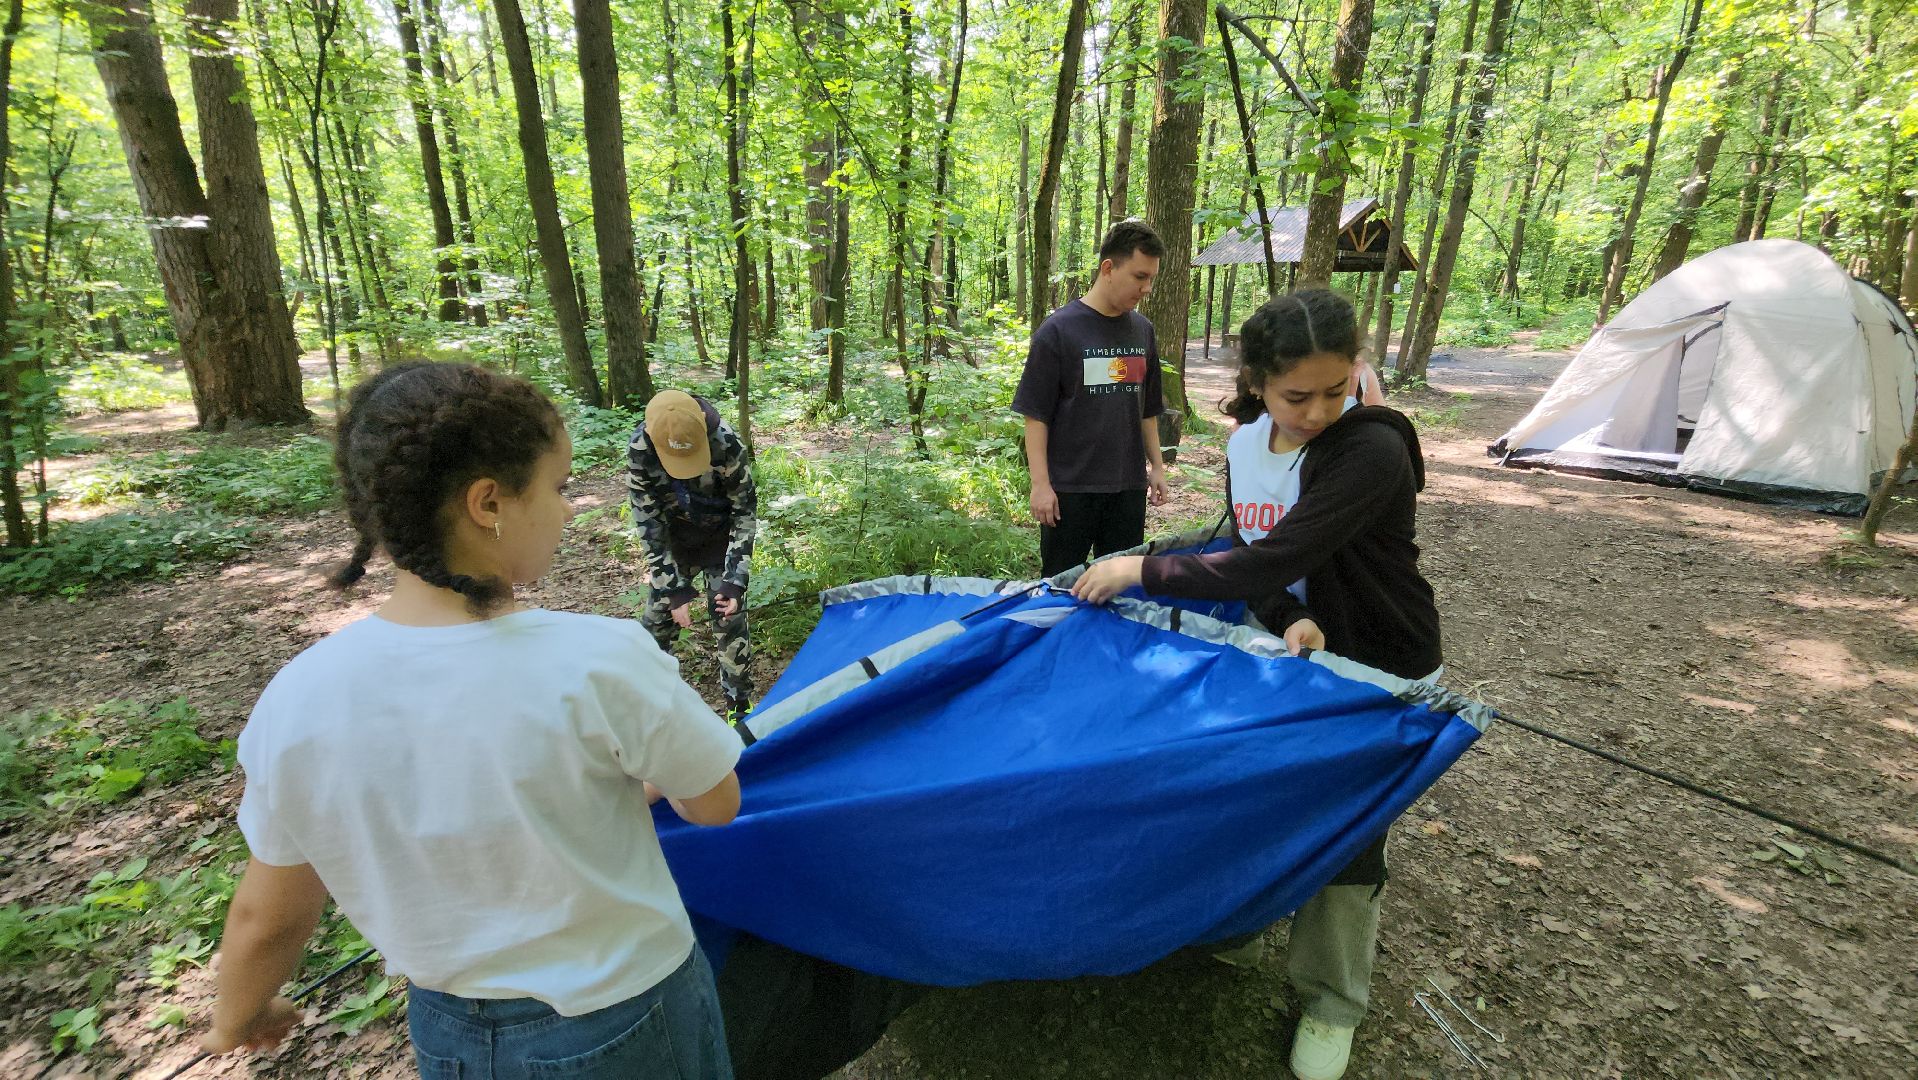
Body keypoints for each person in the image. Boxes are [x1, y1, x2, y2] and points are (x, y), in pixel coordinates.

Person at [201, 363, 742, 1080]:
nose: (570, 509)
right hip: (629, 1017)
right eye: (558, 487)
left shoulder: (299, 697)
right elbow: (713, 802)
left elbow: (268, 915)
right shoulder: (600, 658)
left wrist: (239, 1016)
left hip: (448, 1032)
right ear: (488, 502)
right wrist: (631, 784)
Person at [1070, 290, 1441, 1080]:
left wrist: (1138, 568)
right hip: (1300, 648)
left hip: (1382, 663)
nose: (1316, 411)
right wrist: (1286, 617)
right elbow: (1259, 545)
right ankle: (1242, 914)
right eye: (1296, 395)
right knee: (1260, 785)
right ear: (1259, 382)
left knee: (1351, 832)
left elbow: (1266, 556)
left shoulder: (1368, 451)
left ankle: (1331, 1002)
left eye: (1337, 390)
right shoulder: (1245, 445)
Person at [1013, 219, 1171, 577]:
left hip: (1127, 488)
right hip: (1070, 490)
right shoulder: (1059, 330)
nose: (1147, 288)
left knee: (1119, 590)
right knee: (1061, 589)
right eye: (1139, 276)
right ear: (1108, 268)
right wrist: (1040, 485)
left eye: (1151, 279)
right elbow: (1036, 415)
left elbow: (1147, 409)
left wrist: (1157, 467)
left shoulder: (1143, 331)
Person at [628, 389, 758, 721]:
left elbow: (744, 513)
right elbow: (649, 525)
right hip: (675, 544)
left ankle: (738, 707)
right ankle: (645, 707)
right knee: (657, 623)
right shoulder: (641, 449)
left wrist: (734, 582)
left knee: (728, 618)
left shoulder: (726, 443)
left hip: (719, 540)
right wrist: (673, 589)